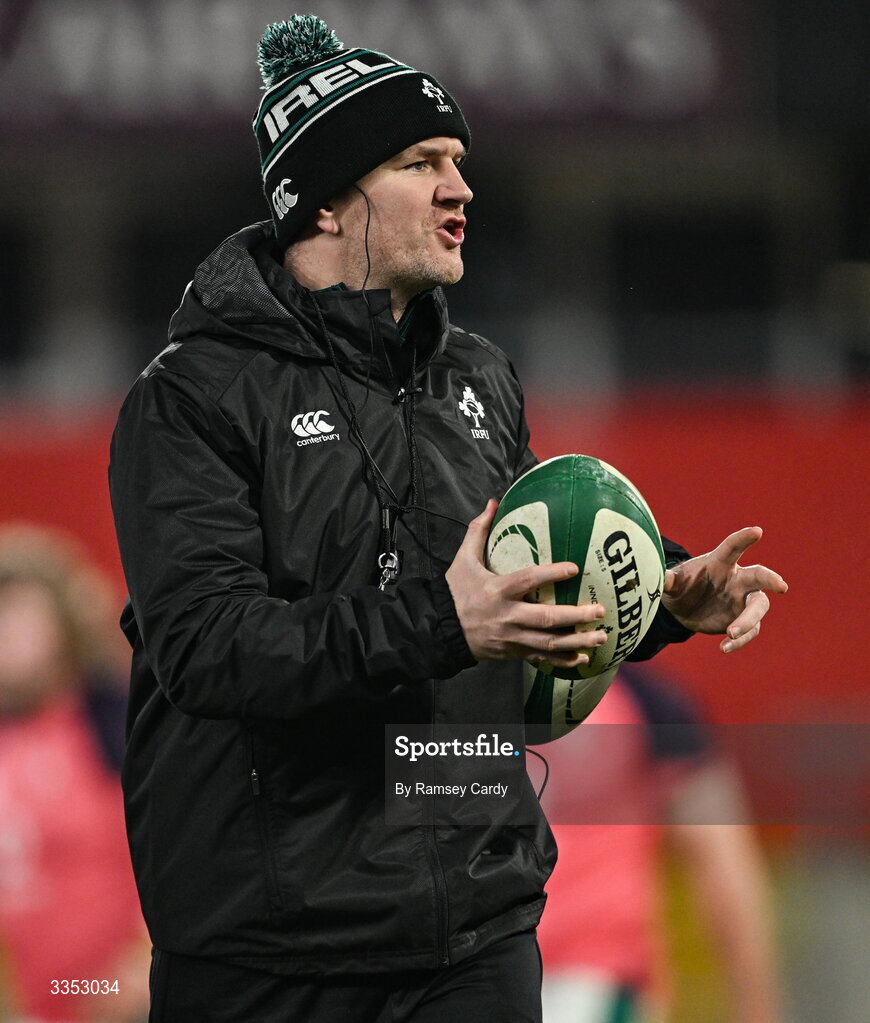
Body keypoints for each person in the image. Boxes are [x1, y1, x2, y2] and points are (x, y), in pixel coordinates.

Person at [107, 14, 787, 1022]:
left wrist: (663, 596)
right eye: (421, 162)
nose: (460, 187)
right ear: (328, 202)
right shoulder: (192, 397)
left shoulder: (477, 376)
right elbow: (208, 648)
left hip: (476, 929)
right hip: (264, 948)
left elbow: (520, 577)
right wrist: (443, 622)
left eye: (459, 161)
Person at [535, 666, 785, 1023]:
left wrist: (758, 1005)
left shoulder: (646, 702)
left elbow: (723, 860)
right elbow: (724, 858)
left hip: (589, 977)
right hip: (477, 973)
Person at [0, 525, 150, 1023]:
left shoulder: (113, 723)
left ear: (64, 625)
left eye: (19, 616)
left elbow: (188, 849)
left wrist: (138, 971)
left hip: (110, 995)